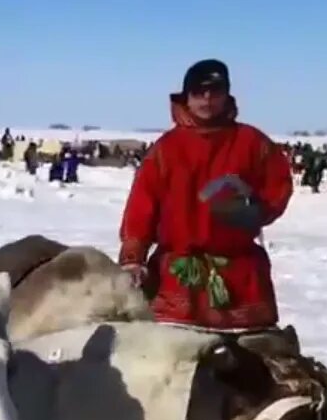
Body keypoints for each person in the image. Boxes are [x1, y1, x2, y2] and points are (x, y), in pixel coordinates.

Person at [118, 58, 294, 333]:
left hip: (241, 277)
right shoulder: (167, 149)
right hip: (178, 278)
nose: (207, 99)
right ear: (187, 97)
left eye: (216, 92)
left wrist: (259, 209)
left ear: (227, 95)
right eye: (199, 92)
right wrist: (133, 258)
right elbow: (142, 206)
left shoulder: (252, 142)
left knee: (254, 366)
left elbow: (278, 183)